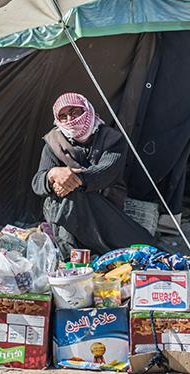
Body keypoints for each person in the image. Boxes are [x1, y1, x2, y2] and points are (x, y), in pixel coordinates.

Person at [32, 93, 153, 257]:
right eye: (63, 116)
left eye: (75, 112)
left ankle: (82, 254)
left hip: (103, 207)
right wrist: (53, 174)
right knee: (66, 198)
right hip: (65, 209)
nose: (70, 119)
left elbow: (106, 173)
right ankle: (71, 256)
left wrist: (72, 180)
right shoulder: (54, 142)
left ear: (87, 110)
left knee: (142, 248)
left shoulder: (112, 139)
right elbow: (37, 184)